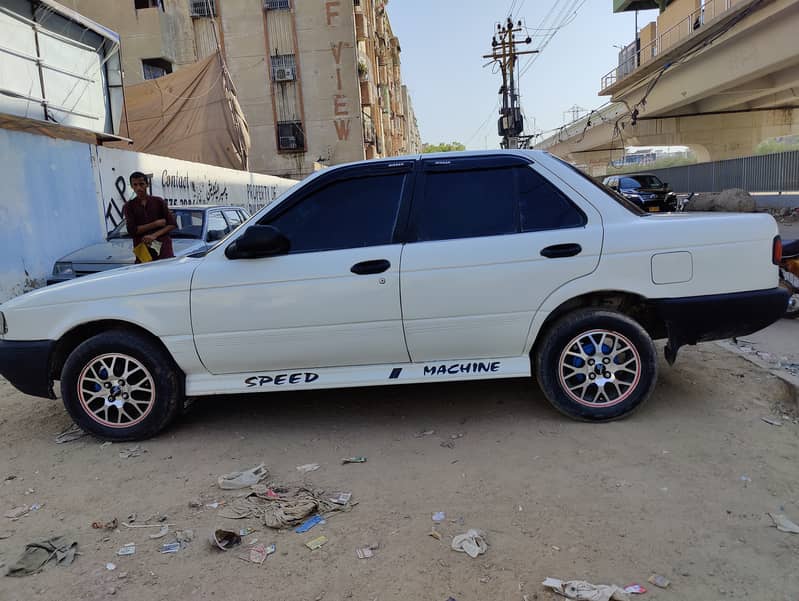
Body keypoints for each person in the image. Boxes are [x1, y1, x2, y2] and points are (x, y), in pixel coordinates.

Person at [123, 172, 177, 262]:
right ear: (132, 186)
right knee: (145, 274)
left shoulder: (158, 201)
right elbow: (132, 230)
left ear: (147, 185)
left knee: (165, 272)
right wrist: (155, 224)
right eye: (135, 185)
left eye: (141, 184)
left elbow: (172, 224)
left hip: (163, 249)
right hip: (143, 250)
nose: (138, 188)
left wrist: (154, 235)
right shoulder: (129, 206)